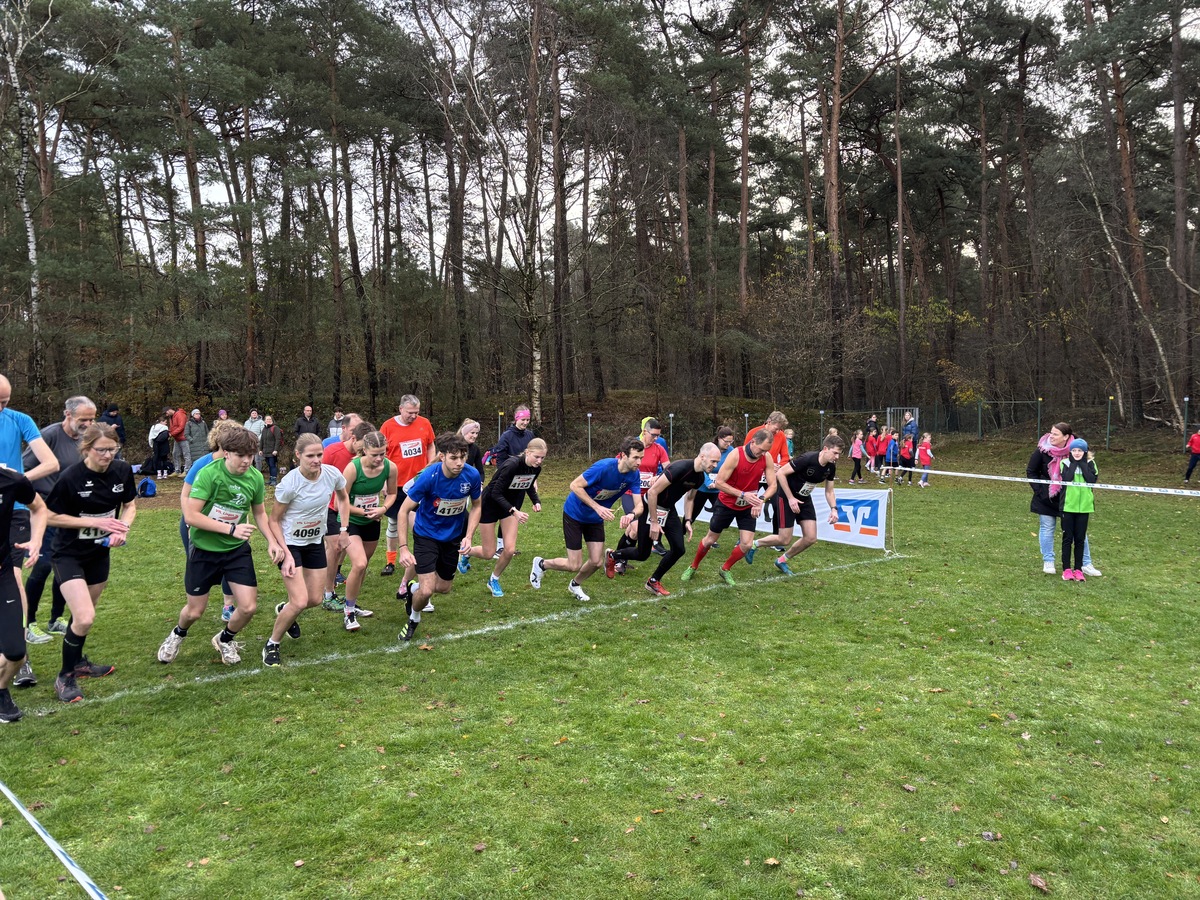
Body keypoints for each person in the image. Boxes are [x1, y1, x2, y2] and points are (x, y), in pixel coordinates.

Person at [156, 426, 285, 666]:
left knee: (248, 607)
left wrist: (272, 542)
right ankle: (177, 634)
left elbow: (259, 513)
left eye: (251, 455)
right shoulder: (209, 474)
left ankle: (225, 639)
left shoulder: (255, 477)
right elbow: (191, 516)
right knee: (194, 611)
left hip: (235, 551)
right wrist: (232, 529)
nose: (247, 461)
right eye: (240, 455)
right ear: (226, 452)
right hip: (204, 549)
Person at [45, 424, 137, 702]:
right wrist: (93, 522)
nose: (108, 455)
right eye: (101, 450)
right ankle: (65, 676)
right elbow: (48, 516)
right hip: (68, 554)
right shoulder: (71, 477)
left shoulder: (122, 470)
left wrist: (122, 528)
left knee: (83, 616)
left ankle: (79, 663)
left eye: (112, 449)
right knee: (84, 617)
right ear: (86, 449)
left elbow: (130, 505)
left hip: (99, 553)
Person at [262, 434, 352, 665]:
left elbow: (343, 498)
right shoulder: (290, 484)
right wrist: (285, 553)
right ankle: (272, 643)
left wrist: (343, 529)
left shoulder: (332, 474)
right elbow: (274, 520)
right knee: (300, 601)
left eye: (319, 454)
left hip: (314, 542)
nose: (316, 460)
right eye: (310, 456)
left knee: (314, 599)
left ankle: (286, 609)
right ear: (298, 455)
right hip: (290, 544)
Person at [530, 438, 644, 602]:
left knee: (596, 562)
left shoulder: (634, 475)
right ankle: (541, 564)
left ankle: (575, 584)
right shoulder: (604, 467)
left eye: (641, 458)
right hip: (574, 514)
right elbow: (574, 485)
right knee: (573, 565)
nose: (639, 462)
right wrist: (597, 507)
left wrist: (631, 515)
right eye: (635, 458)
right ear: (623, 456)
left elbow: (639, 506)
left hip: (595, 518)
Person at [23, 395, 97, 649]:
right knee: (43, 566)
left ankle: (56, 619)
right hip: (44, 511)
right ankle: (28, 623)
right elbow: (24, 471)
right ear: (68, 415)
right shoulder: (49, 436)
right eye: (84, 419)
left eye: (92, 419)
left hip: (72, 513)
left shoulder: (87, 439)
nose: (88, 424)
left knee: (66, 566)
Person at [0, 374, 59, 691]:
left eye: (5, 402)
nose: (1, 408)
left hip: (15, 510)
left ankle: (20, 656)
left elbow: (50, 463)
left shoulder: (19, 420)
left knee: (13, 575)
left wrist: (16, 482)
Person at [397, 432, 483, 642]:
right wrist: (403, 548)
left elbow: (477, 506)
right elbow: (403, 510)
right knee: (427, 591)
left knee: (443, 588)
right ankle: (414, 618)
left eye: (463, 457)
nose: (459, 463)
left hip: (452, 537)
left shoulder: (471, 475)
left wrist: (469, 536)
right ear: (442, 456)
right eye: (454, 458)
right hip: (426, 535)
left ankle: (412, 589)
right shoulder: (429, 476)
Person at [609, 443, 721, 596]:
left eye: (717, 462)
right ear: (702, 457)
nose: (715, 465)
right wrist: (654, 522)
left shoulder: (700, 478)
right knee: (643, 554)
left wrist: (688, 520)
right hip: (651, 506)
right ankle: (613, 556)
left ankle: (653, 580)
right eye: (713, 461)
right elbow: (652, 492)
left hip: (668, 509)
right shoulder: (680, 468)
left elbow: (690, 498)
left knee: (679, 549)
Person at [680, 428, 777, 586]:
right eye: (761, 450)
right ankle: (693, 566)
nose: (763, 454)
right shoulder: (736, 455)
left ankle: (725, 569)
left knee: (746, 544)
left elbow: (773, 485)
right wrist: (743, 494)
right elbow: (719, 482)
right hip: (726, 504)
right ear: (753, 442)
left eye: (766, 451)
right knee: (710, 540)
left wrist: (760, 500)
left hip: (747, 506)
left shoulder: (766, 457)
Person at [460, 438, 545, 598]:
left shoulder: (536, 468)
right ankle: (467, 553)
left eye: (542, 458)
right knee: (488, 553)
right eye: (536, 457)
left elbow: (528, 485)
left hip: (510, 508)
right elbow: (495, 492)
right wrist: (514, 511)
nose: (539, 461)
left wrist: (536, 501)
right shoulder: (512, 465)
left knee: (510, 549)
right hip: (490, 505)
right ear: (527, 452)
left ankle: (494, 579)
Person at [749, 434, 844, 575]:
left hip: (804, 499)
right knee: (784, 539)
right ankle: (754, 545)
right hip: (787, 497)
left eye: (839, 454)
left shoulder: (831, 467)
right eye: (835, 453)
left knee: (811, 538)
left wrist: (834, 509)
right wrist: (791, 498)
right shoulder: (807, 459)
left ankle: (782, 560)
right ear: (825, 448)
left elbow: (829, 491)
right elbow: (781, 473)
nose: (837, 457)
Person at [0, 467, 46, 723]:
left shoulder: (11, 480)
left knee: (16, 652)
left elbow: (39, 508)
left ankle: (1, 690)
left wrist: (36, 540)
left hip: (2, 574)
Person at [1027, 422, 1101, 577]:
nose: (1051, 436)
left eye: (1055, 434)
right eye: (1051, 432)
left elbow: (1089, 474)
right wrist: (1040, 491)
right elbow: (1031, 471)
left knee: (1079, 532)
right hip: (1046, 498)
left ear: (1066, 437)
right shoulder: (1042, 450)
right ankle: (1048, 561)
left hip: (1070, 499)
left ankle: (1085, 563)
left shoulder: (1077, 449)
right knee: (1047, 527)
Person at [340, 431, 398, 621]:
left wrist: (383, 508)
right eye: (375, 454)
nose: (379, 458)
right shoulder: (352, 468)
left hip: (372, 522)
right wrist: (363, 511)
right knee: (359, 563)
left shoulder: (390, 467)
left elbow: (392, 493)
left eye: (383, 453)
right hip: (351, 521)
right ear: (364, 450)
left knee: (362, 567)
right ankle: (348, 612)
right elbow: (341, 502)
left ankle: (352, 603)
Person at [379, 395, 436, 589]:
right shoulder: (387, 427)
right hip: (397, 483)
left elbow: (430, 445)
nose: (413, 416)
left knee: (420, 522)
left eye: (416, 413)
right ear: (400, 409)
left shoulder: (424, 423)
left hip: (420, 483)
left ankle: (421, 556)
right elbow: (382, 456)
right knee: (394, 522)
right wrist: (384, 481)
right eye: (410, 413)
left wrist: (430, 466)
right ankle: (391, 560)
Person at [316, 413, 364, 606]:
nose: (356, 435)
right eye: (354, 431)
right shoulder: (332, 450)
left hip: (351, 508)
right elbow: (317, 475)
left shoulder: (364, 455)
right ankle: (328, 593)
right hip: (329, 506)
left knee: (342, 547)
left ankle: (332, 582)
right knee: (335, 547)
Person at [1059, 438, 1098, 582]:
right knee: (1067, 538)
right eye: (1074, 450)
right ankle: (1066, 569)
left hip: (1084, 508)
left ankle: (1078, 569)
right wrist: (1074, 464)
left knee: (1080, 539)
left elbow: (1091, 480)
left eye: (1080, 451)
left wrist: (1083, 464)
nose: (1076, 453)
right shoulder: (1065, 463)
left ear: (1085, 451)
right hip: (1068, 506)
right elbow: (1067, 479)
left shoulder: (1091, 463)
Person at [260, 414, 284, 485]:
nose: (269, 420)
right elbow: (262, 440)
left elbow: (278, 439)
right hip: (266, 451)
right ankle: (270, 479)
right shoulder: (264, 429)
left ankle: (274, 480)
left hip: (272, 451)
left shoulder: (275, 428)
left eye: (270, 419)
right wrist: (260, 449)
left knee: (272, 465)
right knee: (269, 465)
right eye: (267, 419)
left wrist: (276, 450)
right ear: (265, 421)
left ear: (272, 420)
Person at [168, 405, 189, 475]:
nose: (166, 414)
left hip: (184, 437)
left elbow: (181, 427)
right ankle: (177, 471)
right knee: (175, 454)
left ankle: (187, 471)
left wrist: (172, 434)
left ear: (169, 410)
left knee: (186, 454)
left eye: (166, 413)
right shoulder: (171, 417)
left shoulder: (180, 414)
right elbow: (173, 427)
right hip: (177, 438)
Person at [149, 414, 172, 479]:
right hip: (164, 445)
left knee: (157, 459)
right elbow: (166, 436)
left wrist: (151, 444)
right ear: (161, 421)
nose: (166, 423)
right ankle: (165, 473)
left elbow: (150, 437)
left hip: (156, 444)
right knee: (164, 459)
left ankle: (159, 474)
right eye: (165, 422)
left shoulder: (153, 427)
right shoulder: (165, 428)